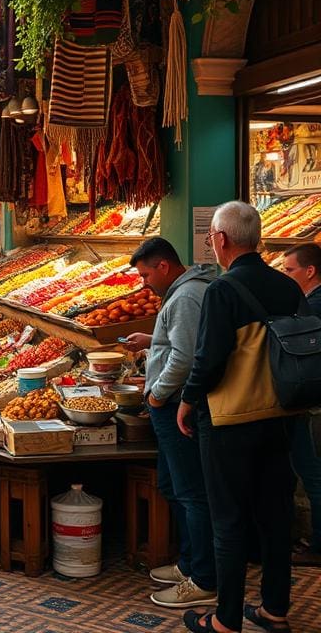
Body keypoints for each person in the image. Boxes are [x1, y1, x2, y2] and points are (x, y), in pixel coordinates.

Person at [178, 201, 306, 633]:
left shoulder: (222, 290)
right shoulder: (289, 287)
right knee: (275, 518)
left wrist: (187, 399)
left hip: (230, 420)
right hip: (282, 416)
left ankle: (226, 620)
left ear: (221, 239)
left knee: (227, 521)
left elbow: (208, 359)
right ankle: (274, 611)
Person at [125, 238, 217, 608]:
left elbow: (184, 357)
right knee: (174, 485)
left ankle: (203, 578)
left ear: (164, 266)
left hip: (177, 406)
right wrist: (154, 340)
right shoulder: (183, 294)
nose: (144, 282)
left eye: (146, 274)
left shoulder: (185, 297)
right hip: (170, 405)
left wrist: (157, 394)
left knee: (191, 492)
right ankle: (189, 563)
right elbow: (178, 343)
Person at [280, 243, 321, 566]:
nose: (284, 275)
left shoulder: (314, 307)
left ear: (309, 271)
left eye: (289, 270)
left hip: (308, 401)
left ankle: (318, 545)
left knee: (311, 472)